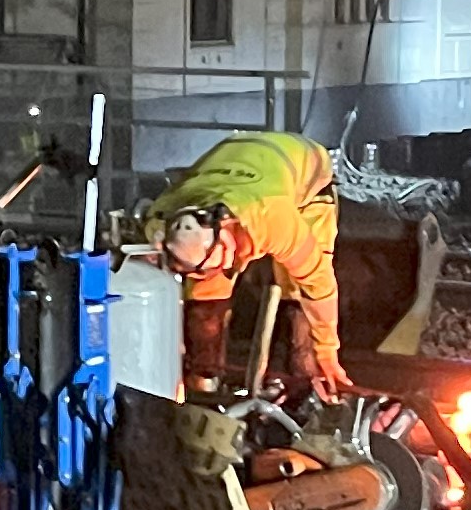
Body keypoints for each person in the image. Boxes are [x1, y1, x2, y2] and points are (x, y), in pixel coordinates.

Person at [141, 131, 344, 402]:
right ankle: (203, 387)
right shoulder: (164, 216)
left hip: (306, 172)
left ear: (225, 234)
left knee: (298, 293)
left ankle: (310, 384)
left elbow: (318, 286)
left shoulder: (272, 218)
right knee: (205, 301)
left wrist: (327, 350)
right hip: (239, 158)